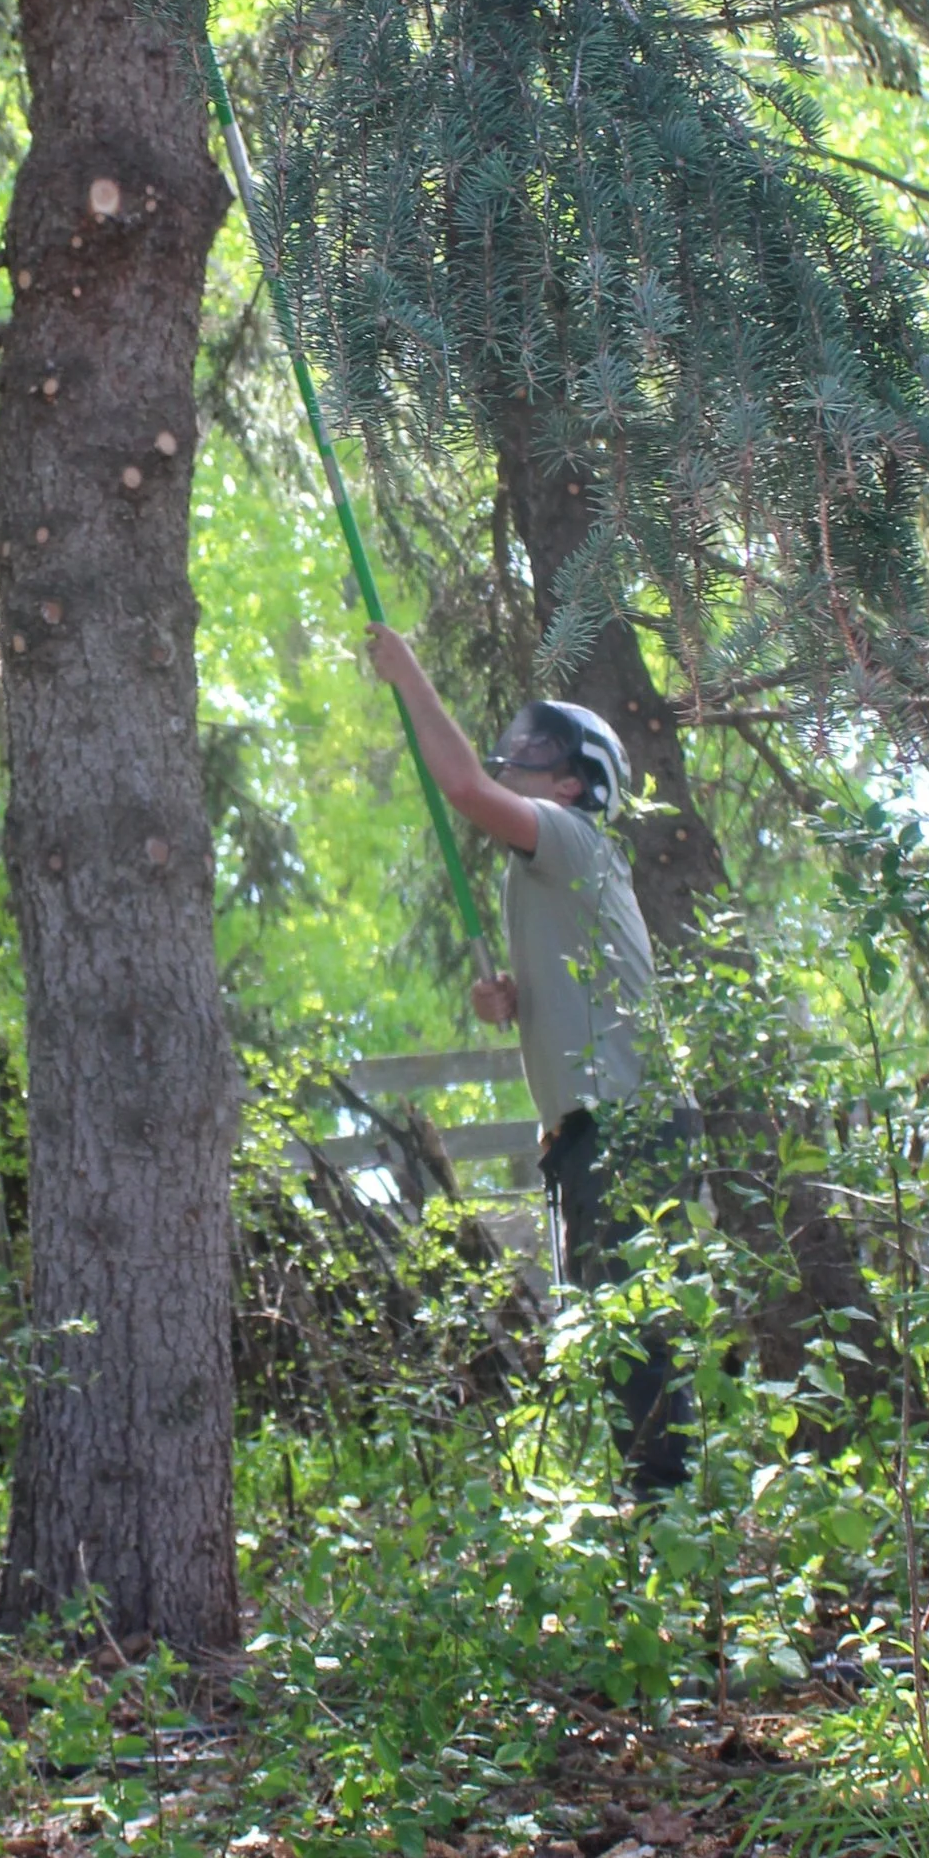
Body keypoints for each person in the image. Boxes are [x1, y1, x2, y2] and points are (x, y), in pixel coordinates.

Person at [364, 628, 691, 1490]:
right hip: (601, 1133)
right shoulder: (546, 871)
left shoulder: (569, 836)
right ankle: (652, 1527)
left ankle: (672, 1537)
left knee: (642, 1345)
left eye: (537, 755)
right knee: (623, 1341)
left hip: (626, 1129)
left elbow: (464, 785)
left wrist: (410, 676)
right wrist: (515, 995)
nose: (516, 760)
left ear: (574, 785)